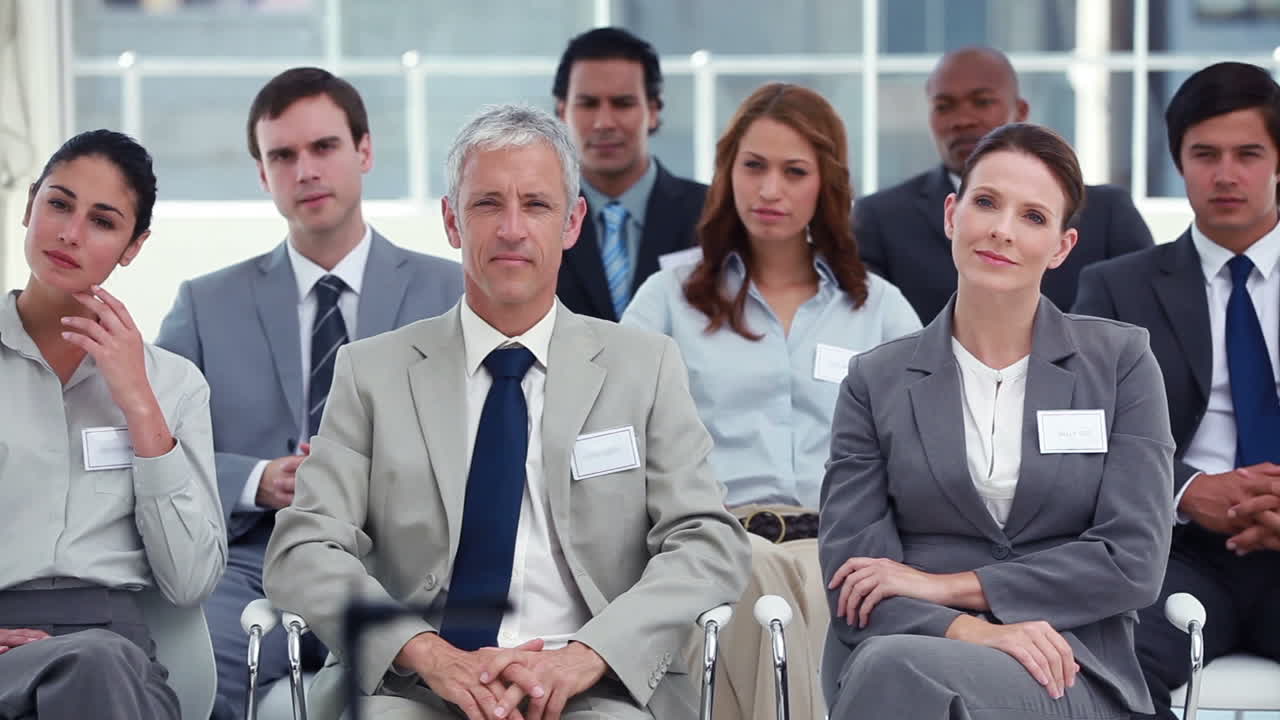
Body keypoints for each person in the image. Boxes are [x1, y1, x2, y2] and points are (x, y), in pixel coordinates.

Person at [262, 104, 751, 720]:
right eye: (488, 204)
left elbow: (708, 543)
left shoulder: (644, 368)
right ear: (451, 221)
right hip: (413, 687)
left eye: (537, 205)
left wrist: (587, 654)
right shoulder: (372, 373)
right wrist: (428, 653)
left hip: (592, 687)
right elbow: (303, 548)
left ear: (573, 222)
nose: (513, 228)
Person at [819, 123, 1175, 720]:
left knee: (895, 674)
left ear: (1062, 247)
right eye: (986, 203)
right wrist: (969, 630)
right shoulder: (873, 380)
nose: (1002, 230)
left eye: (1033, 217)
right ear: (952, 214)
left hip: (1067, 663)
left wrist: (950, 585)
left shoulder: (1122, 362)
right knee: (895, 667)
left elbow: (1134, 558)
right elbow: (854, 579)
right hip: (909, 650)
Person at [154, 67, 463, 720]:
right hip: (254, 567)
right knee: (195, 670)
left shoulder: (450, 292)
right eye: (282, 156)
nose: (305, 170)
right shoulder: (206, 305)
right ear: (263, 175)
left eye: (323, 147)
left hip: (407, 565)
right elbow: (159, 455)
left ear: (365, 151)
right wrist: (259, 479)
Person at [622, 82, 920, 720]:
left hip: (841, 548)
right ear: (727, 173)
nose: (769, 189)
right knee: (751, 569)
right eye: (752, 166)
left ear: (827, 185)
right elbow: (618, 435)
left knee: (815, 581)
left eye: (794, 171)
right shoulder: (666, 299)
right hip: (711, 539)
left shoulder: (881, 310)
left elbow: (921, 456)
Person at [1072, 61, 1280, 720]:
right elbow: (1082, 429)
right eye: (1204, 154)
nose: (1226, 174)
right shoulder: (1116, 287)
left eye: (1248, 154)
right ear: (1179, 164)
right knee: (1102, 669)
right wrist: (1188, 489)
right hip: (1174, 550)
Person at [0, 129, 225, 720]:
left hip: (117, 662)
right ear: (29, 207)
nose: (70, 233)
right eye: (58, 204)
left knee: (100, 664)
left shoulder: (174, 384)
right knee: (98, 665)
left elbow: (190, 582)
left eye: (102, 221)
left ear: (132, 246)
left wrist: (140, 406)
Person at [855, 46, 1153, 323]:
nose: (962, 119)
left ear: (1021, 112)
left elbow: (1144, 328)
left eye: (982, 102)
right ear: (951, 215)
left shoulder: (1108, 214)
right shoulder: (880, 218)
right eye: (944, 107)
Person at [553, 27, 708, 321]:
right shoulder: (537, 216)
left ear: (654, 110)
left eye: (622, 103)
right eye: (588, 104)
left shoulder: (712, 212)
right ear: (562, 111)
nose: (604, 122)